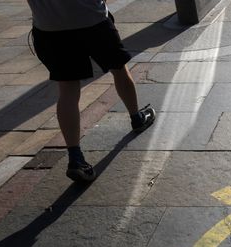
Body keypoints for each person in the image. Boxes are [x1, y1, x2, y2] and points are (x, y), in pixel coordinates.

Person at [26, 0, 155, 182]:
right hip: (92, 20)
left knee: (68, 89)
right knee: (119, 69)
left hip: (49, 28)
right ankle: (136, 118)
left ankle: (76, 158)